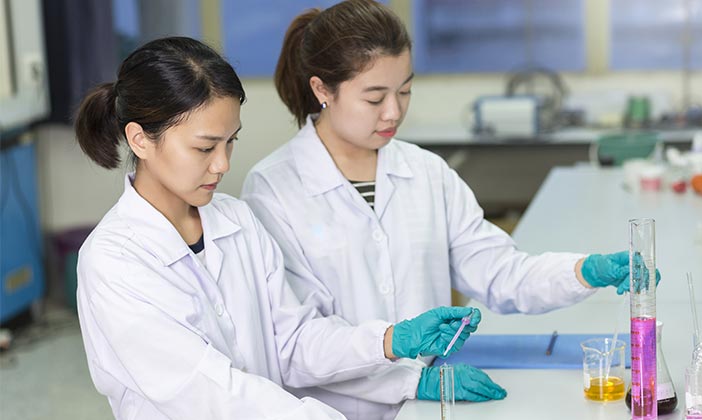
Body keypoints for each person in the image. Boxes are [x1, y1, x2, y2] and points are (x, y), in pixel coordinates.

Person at [241, 1, 662, 419]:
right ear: (321, 90)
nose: (394, 112)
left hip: (431, 406)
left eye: (404, 91)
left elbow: (498, 273)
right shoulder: (274, 189)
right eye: (375, 98)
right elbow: (295, 343)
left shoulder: (425, 171)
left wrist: (584, 271)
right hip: (338, 411)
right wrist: (398, 355)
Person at [74, 36, 481, 420]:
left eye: (230, 142)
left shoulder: (237, 221)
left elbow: (292, 342)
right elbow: (207, 392)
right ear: (140, 140)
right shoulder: (113, 260)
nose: (222, 164)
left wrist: (390, 341)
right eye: (204, 147)